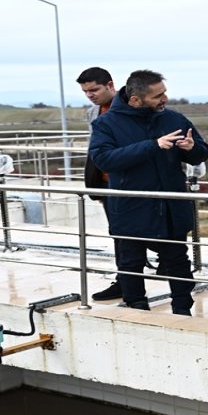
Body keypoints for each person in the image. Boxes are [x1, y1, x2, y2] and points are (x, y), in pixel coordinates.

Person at [88, 70, 208, 315]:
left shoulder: (174, 118)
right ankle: (137, 308)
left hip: (170, 206)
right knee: (130, 263)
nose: (164, 99)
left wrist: (192, 147)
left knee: (177, 262)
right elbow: (103, 160)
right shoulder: (106, 123)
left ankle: (183, 309)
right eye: (158, 96)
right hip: (130, 207)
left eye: (164, 92)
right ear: (135, 100)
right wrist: (151, 146)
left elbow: (201, 153)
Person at [75, 67, 124, 301]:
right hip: (105, 182)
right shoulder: (92, 112)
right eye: (86, 91)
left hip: (126, 181)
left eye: (94, 89)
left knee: (134, 232)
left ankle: (135, 273)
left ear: (110, 85)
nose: (90, 95)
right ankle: (124, 280)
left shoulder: (129, 107)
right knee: (118, 232)